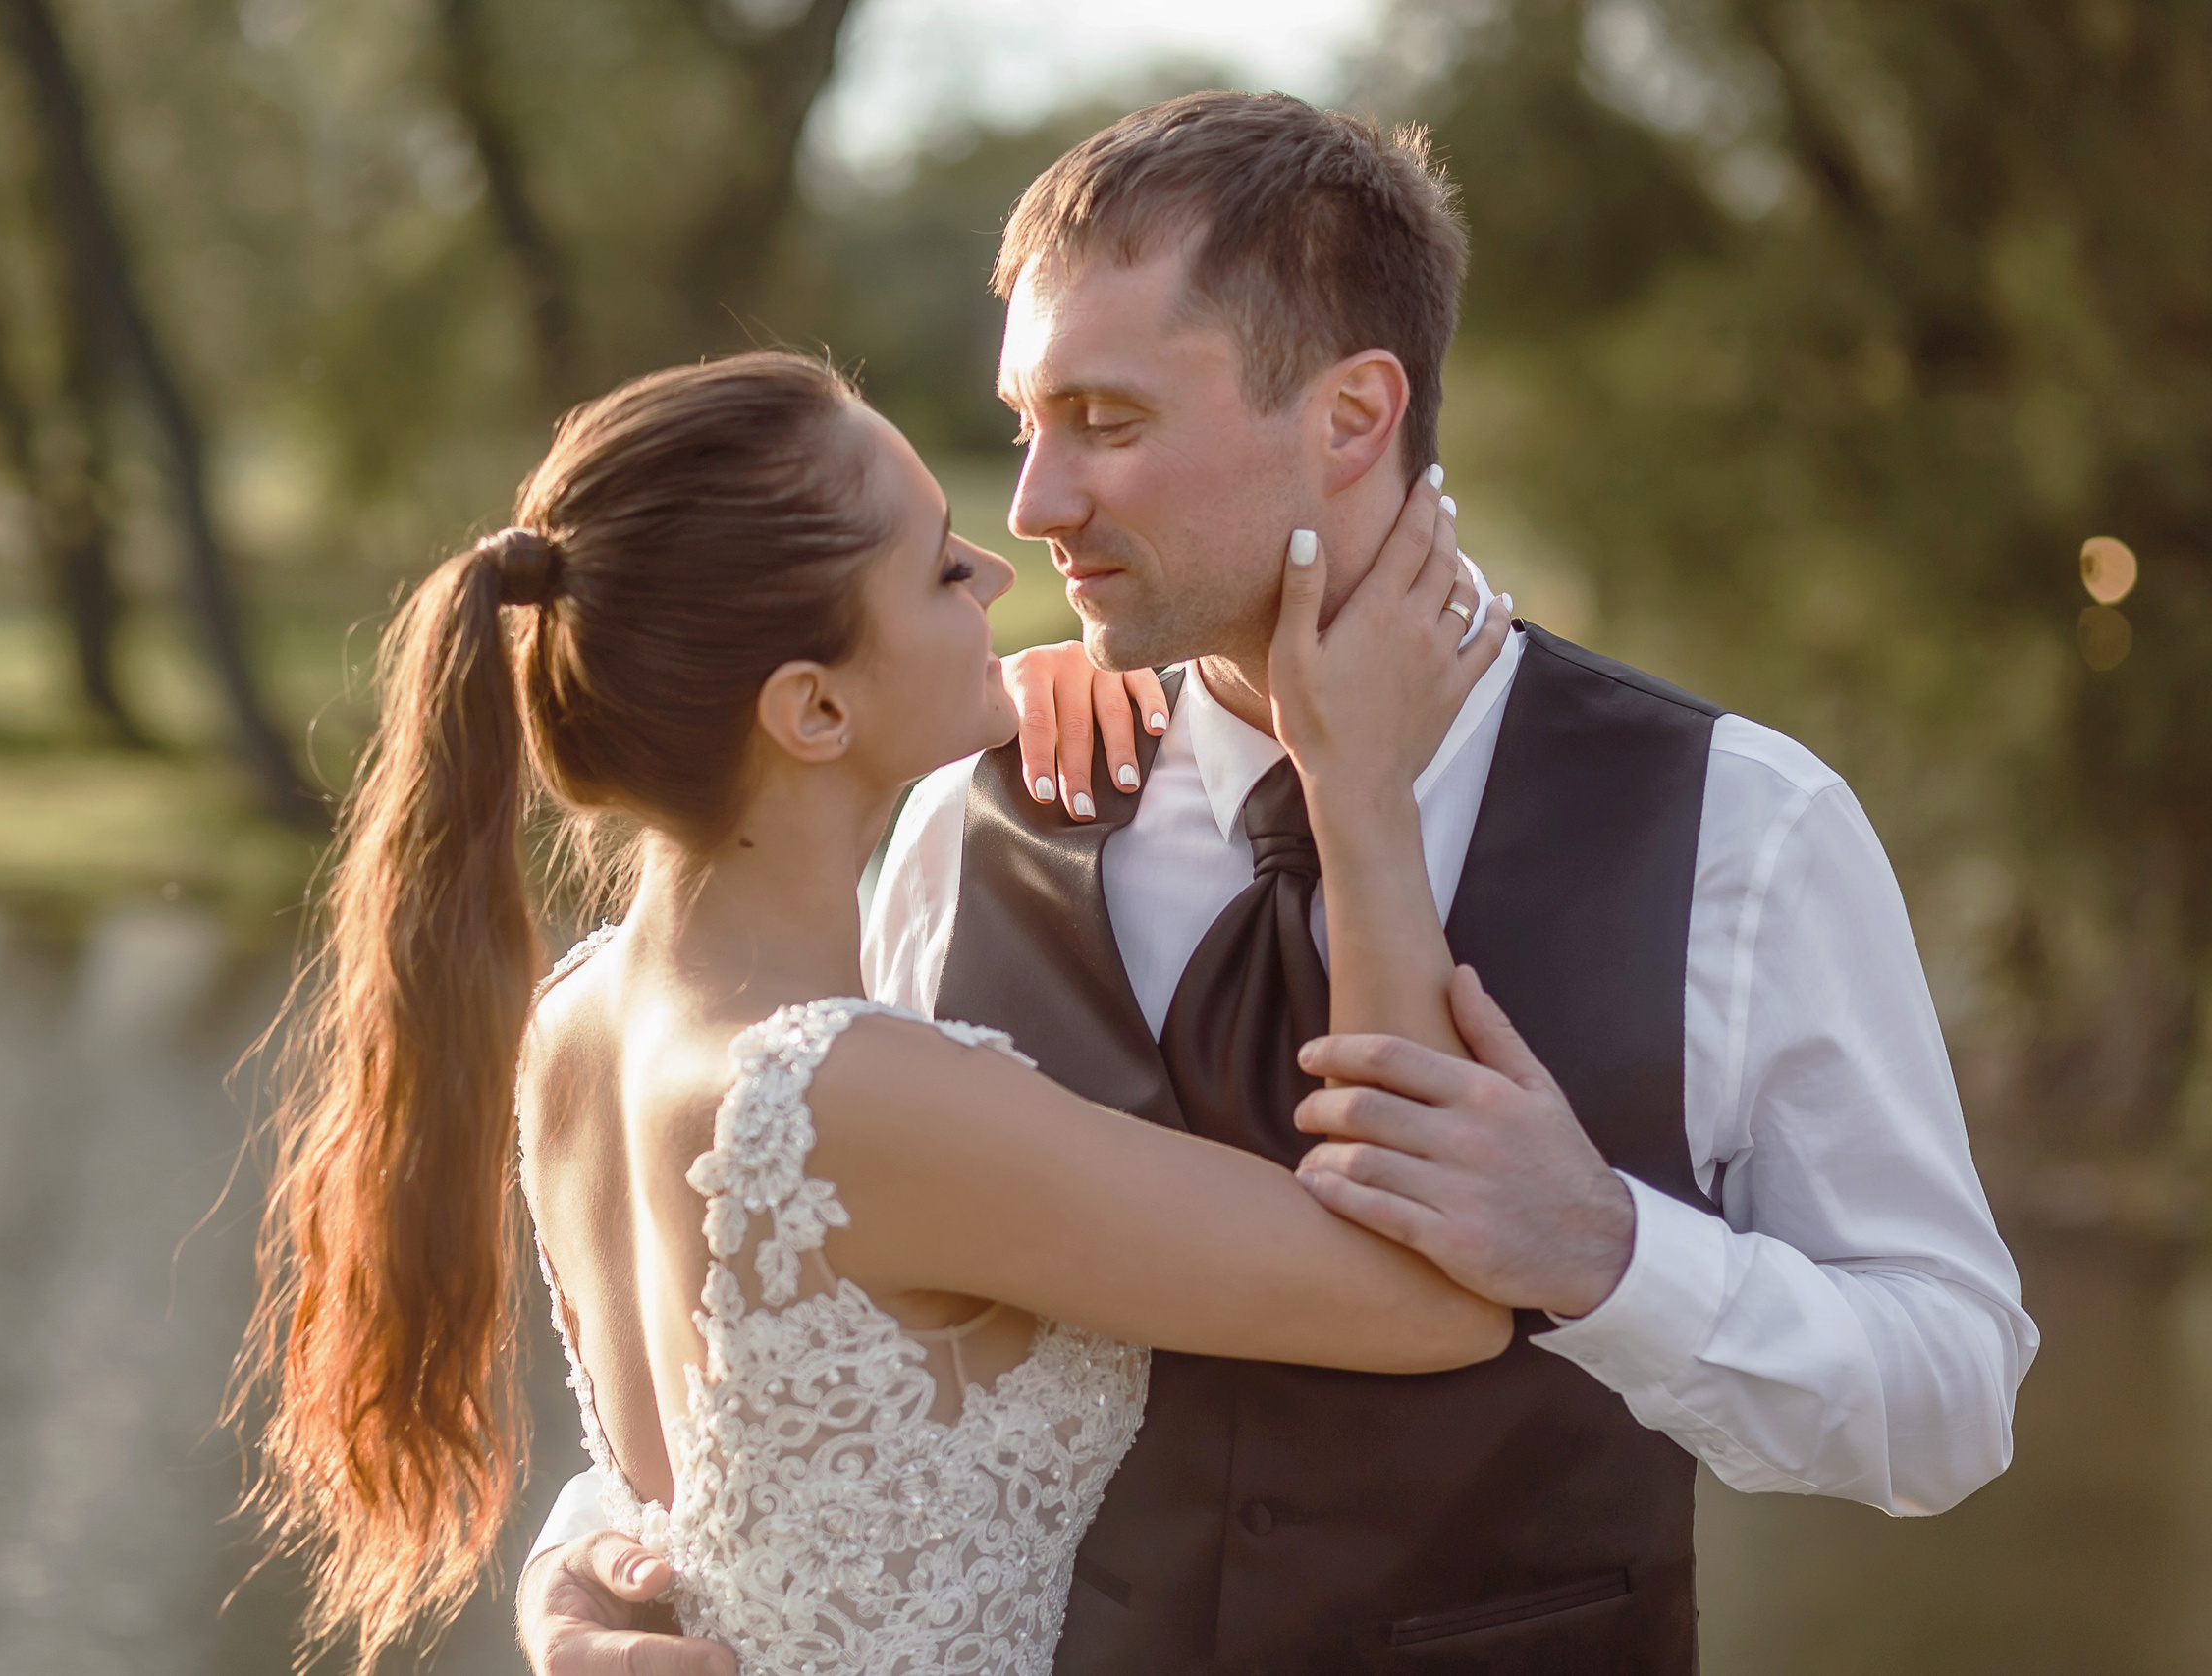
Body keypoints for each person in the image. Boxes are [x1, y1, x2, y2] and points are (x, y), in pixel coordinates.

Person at [528, 93, 2037, 1674]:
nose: (1032, 505)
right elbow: (790, 1340)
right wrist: (593, 1573)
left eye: (1105, 422)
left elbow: (1951, 1398)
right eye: (1026, 418)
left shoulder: (1744, 829)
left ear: (1352, 418)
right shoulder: (976, 820)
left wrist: (1609, 1254)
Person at [233, 349, 1525, 1676]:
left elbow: (702, 1492)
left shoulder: (582, 1020)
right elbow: (1429, 1295)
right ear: (811, 708)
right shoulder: (851, 1099)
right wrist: (1357, 792)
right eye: (942, 569)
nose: (999, 582)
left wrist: (564, 1570)